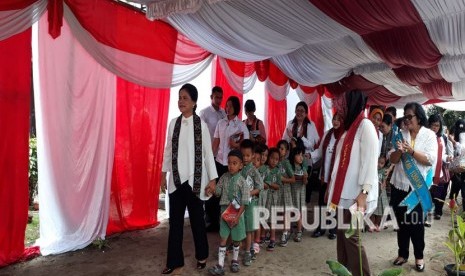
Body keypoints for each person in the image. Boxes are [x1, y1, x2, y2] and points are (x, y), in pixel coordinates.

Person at [161, 83, 218, 274]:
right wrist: (163, 173)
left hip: (195, 182)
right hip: (176, 182)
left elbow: (208, 154)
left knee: (197, 222)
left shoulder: (200, 125)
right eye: (179, 97)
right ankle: (174, 260)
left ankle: (201, 256)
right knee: (175, 223)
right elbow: (168, 151)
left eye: (185, 98)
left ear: (194, 102)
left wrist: (212, 179)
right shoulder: (173, 124)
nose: (181, 101)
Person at [326, 90, 379, 276]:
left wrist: (364, 193)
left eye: (343, 106)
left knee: (353, 239)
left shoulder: (365, 126)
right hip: (343, 196)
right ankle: (344, 272)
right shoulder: (348, 129)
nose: (340, 110)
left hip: (357, 197)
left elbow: (370, 162)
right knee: (342, 237)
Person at [389, 102, 437, 272]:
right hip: (399, 186)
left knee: (416, 225)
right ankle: (402, 254)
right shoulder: (399, 134)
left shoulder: (429, 135)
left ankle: (419, 257)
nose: (407, 120)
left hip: (416, 188)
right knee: (401, 223)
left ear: (419, 117)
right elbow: (392, 160)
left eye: (410, 117)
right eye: (405, 117)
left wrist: (411, 152)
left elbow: (430, 159)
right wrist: (400, 151)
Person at [208, 96, 249, 232]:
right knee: (216, 193)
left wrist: (236, 145)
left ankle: (232, 222)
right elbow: (215, 143)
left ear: (236, 107)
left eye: (230, 106)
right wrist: (209, 159)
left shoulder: (241, 125)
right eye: (227, 105)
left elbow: (246, 147)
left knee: (232, 194)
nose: (227, 108)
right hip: (219, 162)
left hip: (233, 165)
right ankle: (214, 222)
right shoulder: (221, 123)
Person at [208, 150, 250, 276]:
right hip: (224, 213)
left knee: (236, 240)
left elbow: (244, 201)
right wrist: (212, 189)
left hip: (237, 215)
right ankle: (220, 265)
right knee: (223, 239)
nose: (231, 166)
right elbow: (218, 192)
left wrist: (238, 216)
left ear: (241, 165)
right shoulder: (224, 177)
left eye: (235, 163)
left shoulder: (243, 181)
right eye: (229, 163)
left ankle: (235, 261)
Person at [310, 113, 343, 240]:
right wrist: (310, 155)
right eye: (334, 119)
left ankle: (333, 229)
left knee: (334, 203)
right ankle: (321, 228)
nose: (335, 121)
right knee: (322, 202)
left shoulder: (343, 136)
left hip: (336, 176)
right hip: (324, 175)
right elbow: (319, 151)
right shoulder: (327, 134)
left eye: (338, 119)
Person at [239, 139, 263, 266]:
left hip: (250, 204)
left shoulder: (254, 171)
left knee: (249, 229)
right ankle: (243, 248)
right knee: (240, 226)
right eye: (243, 155)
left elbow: (260, 187)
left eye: (248, 155)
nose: (245, 158)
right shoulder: (239, 168)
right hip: (239, 204)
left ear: (253, 155)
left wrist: (249, 193)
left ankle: (248, 251)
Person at [428, 114, 453, 221]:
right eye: (433, 125)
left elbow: (442, 154)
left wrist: (447, 158)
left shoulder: (441, 138)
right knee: (427, 196)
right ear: (428, 125)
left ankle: (431, 216)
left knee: (435, 196)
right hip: (428, 171)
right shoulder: (426, 137)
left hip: (438, 173)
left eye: (437, 126)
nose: (435, 128)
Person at [277, 140, 295, 247]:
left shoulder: (286, 163)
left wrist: (283, 179)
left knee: (285, 213)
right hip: (278, 191)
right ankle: (284, 230)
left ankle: (285, 233)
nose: (280, 150)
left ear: (287, 151)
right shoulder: (276, 161)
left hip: (286, 191)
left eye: (282, 149)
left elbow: (293, 179)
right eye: (279, 148)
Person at [288, 145, 308, 242]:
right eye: (298, 155)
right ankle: (290, 229)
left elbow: (305, 182)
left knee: (298, 211)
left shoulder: (302, 168)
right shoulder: (290, 167)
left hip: (300, 192)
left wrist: (305, 178)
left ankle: (299, 231)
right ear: (293, 156)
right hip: (292, 192)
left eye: (302, 155)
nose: (301, 157)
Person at [264, 148, 281, 251]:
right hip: (265, 197)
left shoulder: (277, 171)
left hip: (274, 198)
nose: (274, 161)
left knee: (273, 219)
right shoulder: (264, 169)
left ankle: (273, 239)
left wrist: (269, 183)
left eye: (277, 159)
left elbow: (278, 186)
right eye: (272, 158)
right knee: (265, 217)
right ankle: (265, 234)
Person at [448, 119, 465, 210]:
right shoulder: (452, 135)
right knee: (456, 183)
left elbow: (462, 149)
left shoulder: (462, 135)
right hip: (451, 165)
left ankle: (453, 202)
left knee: (458, 184)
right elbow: (451, 151)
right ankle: (452, 202)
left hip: (460, 165)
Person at [369, 156, 389, 232]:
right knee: (372, 210)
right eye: (378, 162)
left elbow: (384, 181)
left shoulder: (384, 171)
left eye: (381, 163)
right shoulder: (373, 170)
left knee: (379, 211)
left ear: (384, 164)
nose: (379, 164)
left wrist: (384, 183)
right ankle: (371, 224)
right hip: (373, 192)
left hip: (381, 193)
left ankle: (377, 224)